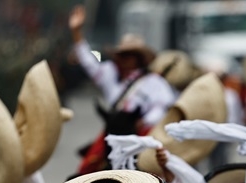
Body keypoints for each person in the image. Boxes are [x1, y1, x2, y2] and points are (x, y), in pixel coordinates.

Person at [69, 4, 176, 173]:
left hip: (141, 138)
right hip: (112, 137)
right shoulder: (110, 74)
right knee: (85, 170)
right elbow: (89, 63)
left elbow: (163, 107)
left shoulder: (154, 82)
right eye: (122, 55)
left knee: (154, 171)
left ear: (138, 58)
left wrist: (145, 121)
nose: (124, 59)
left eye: (128, 55)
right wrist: (77, 33)